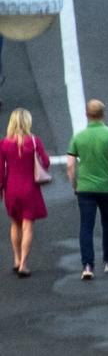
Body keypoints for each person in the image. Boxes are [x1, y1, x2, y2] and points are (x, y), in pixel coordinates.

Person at [67, 99, 108, 281]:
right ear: (103, 114)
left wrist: (74, 184)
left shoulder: (78, 137)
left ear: (87, 114)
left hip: (85, 188)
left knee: (86, 226)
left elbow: (70, 165)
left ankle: (87, 265)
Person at [0, 108, 50, 277]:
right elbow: (46, 162)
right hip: (30, 188)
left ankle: (16, 258)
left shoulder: (4, 143)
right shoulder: (34, 141)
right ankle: (24, 264)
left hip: (11, 189)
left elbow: (1, 171)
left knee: (15, 223)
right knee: (27, 225)